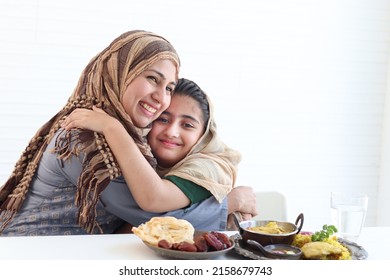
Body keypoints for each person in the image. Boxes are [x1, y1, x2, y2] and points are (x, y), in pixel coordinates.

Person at [0, 30, 255, 236]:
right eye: (153, 79)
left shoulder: (125, 137)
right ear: (118, 73)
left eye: (168, 87)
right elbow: (156, 221)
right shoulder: (85, 139)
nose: (160, 97)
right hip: (30, 259)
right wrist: (229, 203)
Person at [62, 78, 255, 231]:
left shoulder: (208, 169)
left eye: (187, 125)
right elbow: (142, 226)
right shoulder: (135, 158)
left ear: (204, 135)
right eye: (163, 119)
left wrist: (112, 127)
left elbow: (156, 204)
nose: (172, 132)